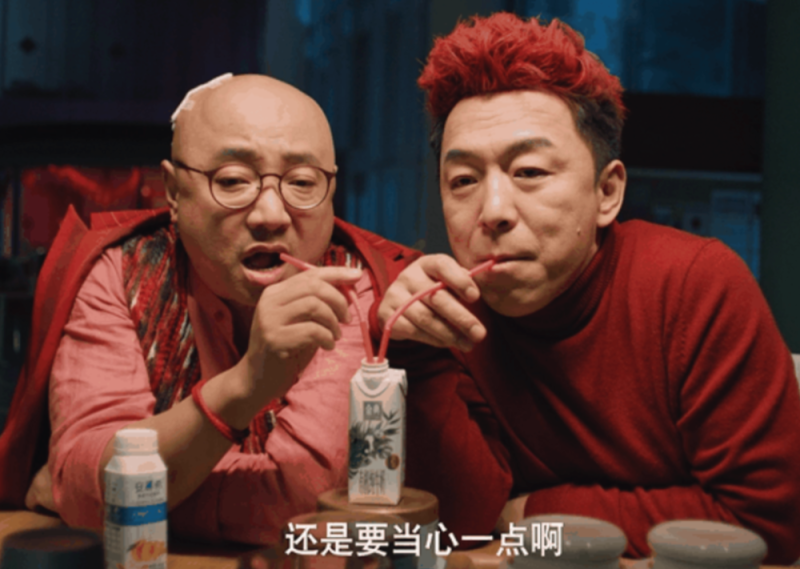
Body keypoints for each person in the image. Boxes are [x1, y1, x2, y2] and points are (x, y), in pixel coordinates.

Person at [377, 13, 800, 564]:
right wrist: (417, 358)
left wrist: (533, 512)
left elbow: (764, 525)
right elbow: (461, 532)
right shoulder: (450, 320)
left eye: (529, 171)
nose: (493, 210)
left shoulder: (694, 285)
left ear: (607, 192)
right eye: (463, 180)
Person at [0, 73, 428, 544]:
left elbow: (304, 500)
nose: (271, 215)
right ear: (173, 192)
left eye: (303, 182)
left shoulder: (348, 284)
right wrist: (244, 386)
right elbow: (88, 475)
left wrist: (97, 495)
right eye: (233, 181)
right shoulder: (119, 274)